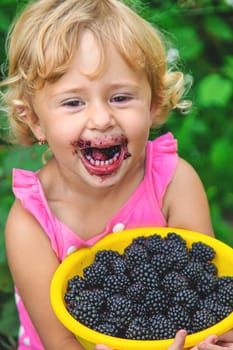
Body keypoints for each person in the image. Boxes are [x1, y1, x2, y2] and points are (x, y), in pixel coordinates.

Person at [0, 0, 231, 349]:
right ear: (34, 120)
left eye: (121, 97)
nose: (101, 118)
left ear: (153, 105)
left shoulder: (174, 182)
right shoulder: (31, 223)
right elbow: (59, 341)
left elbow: (202, 291)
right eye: (73, 102)